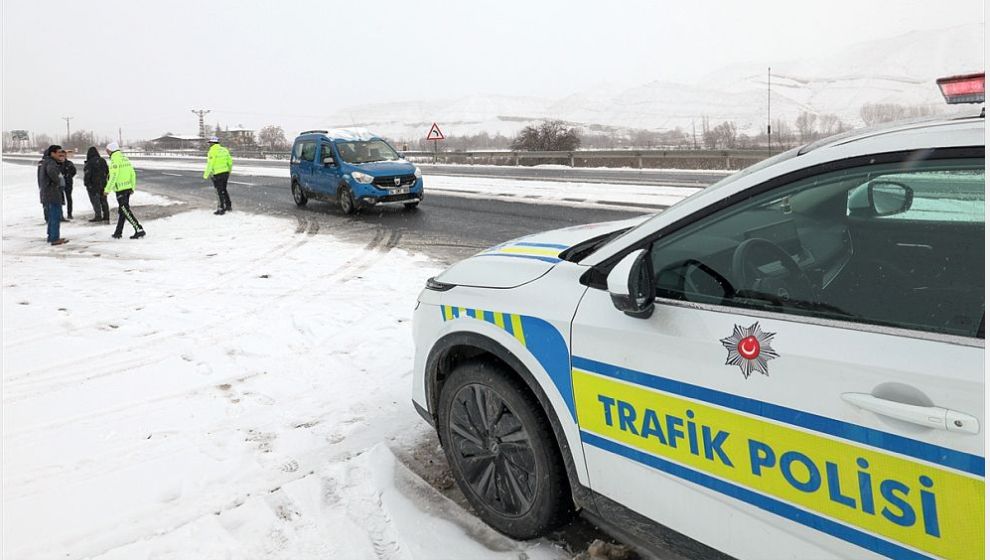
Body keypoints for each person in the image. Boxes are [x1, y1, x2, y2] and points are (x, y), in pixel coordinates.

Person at [104, 142, 145, 239]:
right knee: (122, 211)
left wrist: (107, 189)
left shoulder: (114, 160)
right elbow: (133, 174)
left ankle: (139, 229)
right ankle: (118, 232)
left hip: (121, 190)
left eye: (107, 151)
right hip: (128, 189)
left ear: (111, 150)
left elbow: (113, 176)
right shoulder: (125, 158)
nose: (107, 152)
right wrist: (132, 187)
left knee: (125, 210)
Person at [37, 144, 68, 245]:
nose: (60, 154)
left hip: (48, 193)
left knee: (52, 216)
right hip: (52, 193)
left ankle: (52, 236)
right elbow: (55, 176)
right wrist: (59, 182)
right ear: (52, 153)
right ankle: (54, 238)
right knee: (55, 216)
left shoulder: (47, 162)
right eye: (58, 153)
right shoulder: (51, 163)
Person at [203, 136, 233, 215]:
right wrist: (229, 170)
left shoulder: (212, 151)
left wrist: (206, 175)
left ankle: (221, 208)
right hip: (225, 173)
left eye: (210, 143)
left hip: (217, 174)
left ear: (213, 143)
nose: (209, 144)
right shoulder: (224, 150)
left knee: (219, 191)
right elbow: (230, 161)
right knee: (224, 190)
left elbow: (210, 164)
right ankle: (228, 205)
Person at [83, 146, 110, 223]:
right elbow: (107, 171)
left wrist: (87, 184)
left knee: (95, 201)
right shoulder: (102, 161)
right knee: (104, 200)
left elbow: (87, 175)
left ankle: (98, 215)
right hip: (103, 184)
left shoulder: (89, 162)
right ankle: (106, 216)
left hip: (93, 185)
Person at [60, 148, 77, 220]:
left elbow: (74, 171)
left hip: (68, 183)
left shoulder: (69, 163)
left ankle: (69, 213)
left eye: (64, 155)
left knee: (69, 198)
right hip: (59, 184)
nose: (62, 157)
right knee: (60, 199)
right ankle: (60, 215)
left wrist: (69, 176)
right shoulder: (56, 164)